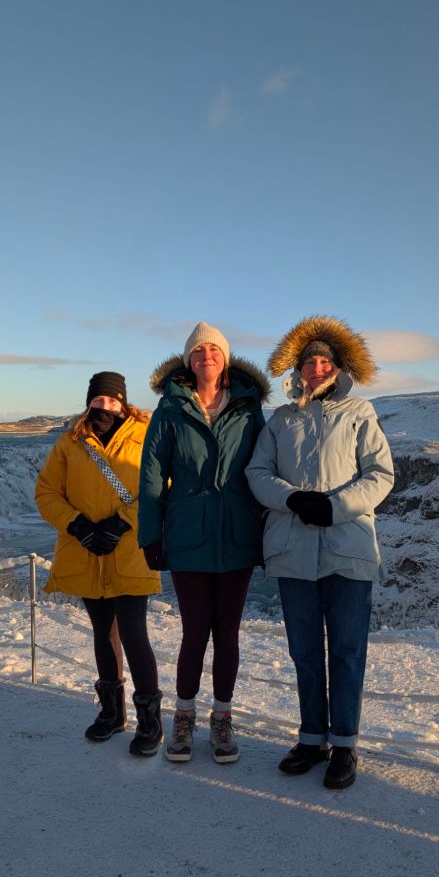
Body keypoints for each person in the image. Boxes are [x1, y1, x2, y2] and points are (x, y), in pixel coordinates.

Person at [246, 315, 394, 790]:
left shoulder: (359, 414)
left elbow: (380, 475)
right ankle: (312, 738)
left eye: (324, 360)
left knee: (348, 652)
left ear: (338, 367)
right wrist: (291, 499)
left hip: (347, 548)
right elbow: (257, 472)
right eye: (309, 360)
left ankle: (344, 743)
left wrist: (333, 508)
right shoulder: (281, 419)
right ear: (298, 368)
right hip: (293, 550)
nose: (316, 367)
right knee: (305, 651)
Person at [138, 322, 269, 764]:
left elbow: (266, 469)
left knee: (227, 634)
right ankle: (184, 717)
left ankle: (223, 719)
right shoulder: (170, 410)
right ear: (188, 361)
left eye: (213, 349)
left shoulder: (249, 409)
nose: (206, 355)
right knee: (194, 632)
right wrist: (150, 535)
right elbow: (152, 474)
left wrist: (267, 529)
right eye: (198, 350)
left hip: (237, 534)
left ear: (225, 358)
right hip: (189, 534)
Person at [35, 371, 163, 757]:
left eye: (112, 400)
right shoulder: (69, 443)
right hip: (85, 551)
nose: (105, 406)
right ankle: (112, 713)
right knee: (102, 632)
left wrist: (121, 522)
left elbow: (161, 488)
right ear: (89, 401)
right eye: (99, 399)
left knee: (134, 634)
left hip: (129, 551)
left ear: (123, 403)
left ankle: (149, 721)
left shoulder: (146, 437)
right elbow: (46, 492)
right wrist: (76, 525)